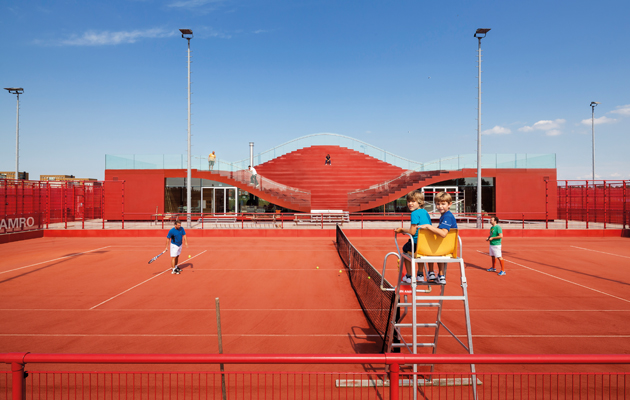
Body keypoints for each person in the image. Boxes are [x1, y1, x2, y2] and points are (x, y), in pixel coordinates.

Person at [419, 191, 457, 285]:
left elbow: (444, 233)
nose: (440, 206)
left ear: (449, 204)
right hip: (444, 248)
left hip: (446, 248)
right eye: (438, 204)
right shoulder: (444, 216)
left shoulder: (447, 216)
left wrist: (428, 226)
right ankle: (440, 276)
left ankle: (430, 272)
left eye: (443, 204)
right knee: (433, 246)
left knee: (427, 246)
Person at [394, 190, 431, 284]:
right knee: (420, 253)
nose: (410, 204)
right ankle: (420, 274)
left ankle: (409, 276)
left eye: (413, 201)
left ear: (420, 202)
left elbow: (412, 232)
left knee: (405, 250)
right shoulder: (425, 212)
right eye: (408, 201)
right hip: (426, 244)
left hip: (416, 243)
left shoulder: (414, 214)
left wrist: (402, 230)